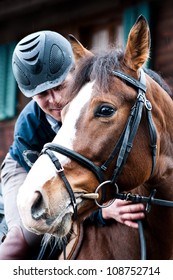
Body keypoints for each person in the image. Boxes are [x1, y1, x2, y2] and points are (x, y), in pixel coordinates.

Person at [0, 30, 145, 260]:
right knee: (24, 237)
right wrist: (100, 211)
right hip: (26, 170)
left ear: (76, 73)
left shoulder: (90, 104)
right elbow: (54, 190)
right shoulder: (30, 125)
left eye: (59, 86)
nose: (54, 100)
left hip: (66, 171)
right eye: (41, 95)